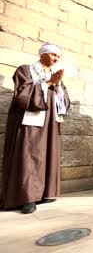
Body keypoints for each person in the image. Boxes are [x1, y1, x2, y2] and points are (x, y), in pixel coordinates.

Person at [0, 43, 70, 214]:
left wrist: (58, 85)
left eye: (58, 56)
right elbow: (23, 94)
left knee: (46, 154)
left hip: (49, 122)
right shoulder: (25, 70)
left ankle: (44, 193)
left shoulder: (54, 75)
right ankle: (27, 198)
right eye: (53, 55)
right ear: (43, 54)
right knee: (28, 155)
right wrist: (48, 83)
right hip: (30, 120)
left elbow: (64, 102)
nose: (56, 58)